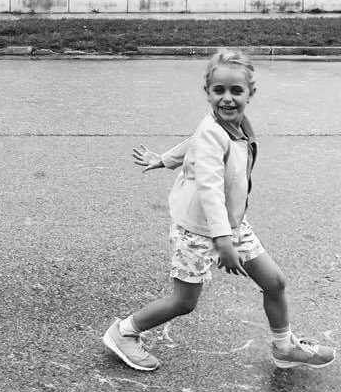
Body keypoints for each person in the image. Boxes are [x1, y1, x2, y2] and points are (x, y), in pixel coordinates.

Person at [103, 48, 336, 372]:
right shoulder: (216, 131)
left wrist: (165, 159)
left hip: (230, 224)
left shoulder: (230, 122)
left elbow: (194, 139)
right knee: (184, 302)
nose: (227, 98)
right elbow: (209, 188)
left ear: (250, 93)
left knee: (275, 282)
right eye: (219, 91)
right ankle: (123, 332)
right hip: (199, 231)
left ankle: (284, 347)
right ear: (207, 92)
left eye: (236, 91)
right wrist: (223, 241)